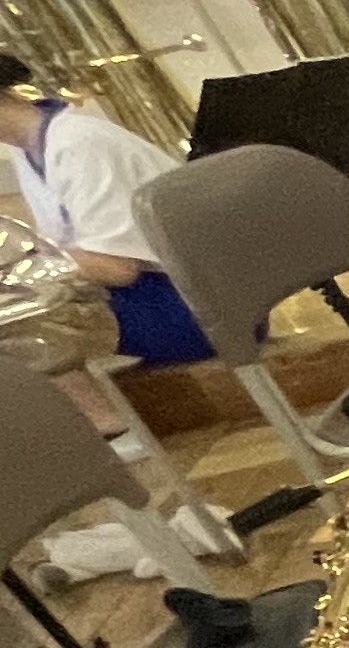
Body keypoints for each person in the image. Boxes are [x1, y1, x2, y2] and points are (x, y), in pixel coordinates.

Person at [0, 54, 241, 566]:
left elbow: (115, 267)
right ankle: (93, 428)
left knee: (14, 321)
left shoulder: (79, 143)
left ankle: (108, 427)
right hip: (165, 291)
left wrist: (22, 270)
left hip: (199, 305)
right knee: (16, 303)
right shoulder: (36, 145)